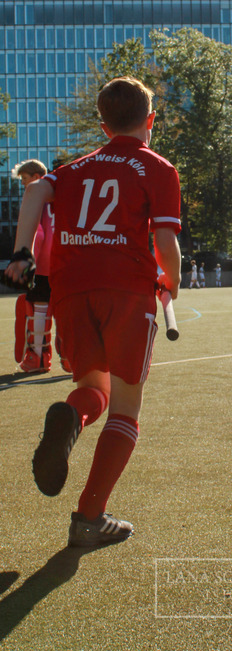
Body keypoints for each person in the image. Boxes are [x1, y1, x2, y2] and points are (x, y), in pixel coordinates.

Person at [6, 76, 181, 548]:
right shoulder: (158, 167)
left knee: (93, 388)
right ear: (151, 121)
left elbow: (35, 192)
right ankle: (89, 516)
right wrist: (173, 281)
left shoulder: (71, 169)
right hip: (126, 292)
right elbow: (165, 241)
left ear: (103, 125)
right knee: (127, 406)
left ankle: (71, 416)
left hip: (71, 290)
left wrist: (22, 251)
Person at [12, 159, 55, 373]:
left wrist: (28, 267)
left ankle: (38, 357)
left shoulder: (34, 200)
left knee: (38, 310)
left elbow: (37, 235)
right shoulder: (60, 198)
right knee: (65, 310)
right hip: (63, 265)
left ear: (37, 178)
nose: (23, 184)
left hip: (42, 267)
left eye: (25, 179)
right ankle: (70, 357)